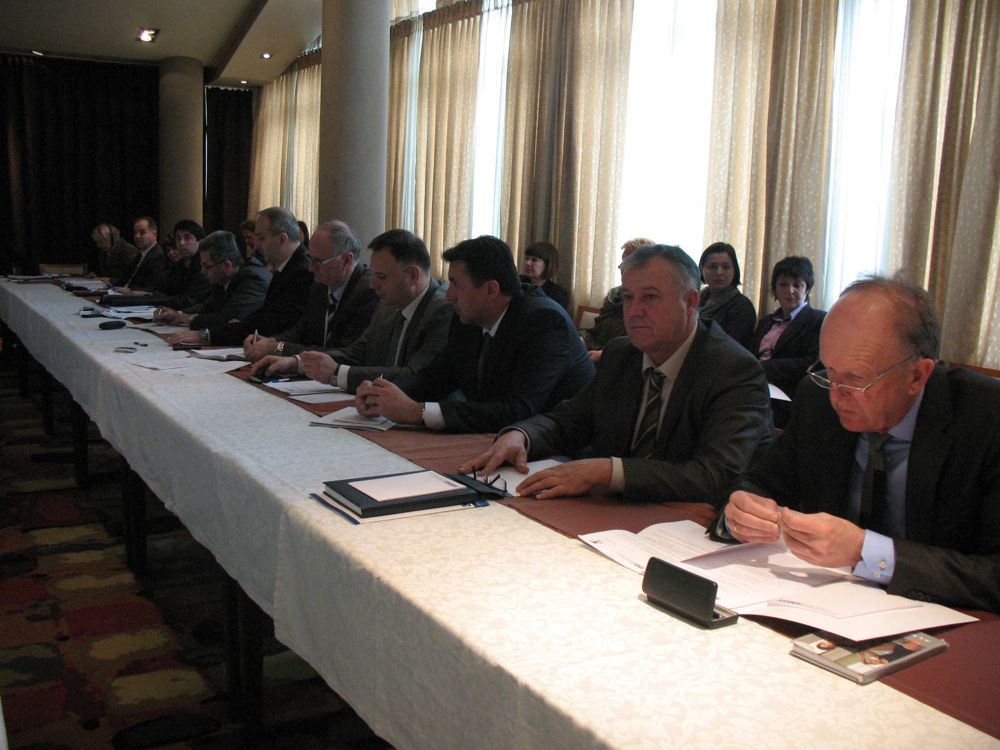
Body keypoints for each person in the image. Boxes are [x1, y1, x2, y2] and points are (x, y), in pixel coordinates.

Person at [722, 277, 1000, 613]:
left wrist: (866, 551)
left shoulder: (986, 419)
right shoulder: (817, 398)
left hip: (948, 621)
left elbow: (993, 574)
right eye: (829, 371)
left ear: (917, 375)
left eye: (856, 380)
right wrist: (741, 510)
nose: (836, 395)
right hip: (821, 606)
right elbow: (759, 482)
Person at [462, 244, 772, 504]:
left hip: (685, 529)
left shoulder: (734, 370)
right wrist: (522, 435)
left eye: (650, 297)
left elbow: (714, 476)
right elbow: (569, 421)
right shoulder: (623, 354)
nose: (634, 311)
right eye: (628, 297)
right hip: (610, 515)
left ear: (691, 302)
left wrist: (609, 472)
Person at [355, 235, 594, 433]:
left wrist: (418, 412)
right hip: (492, 440)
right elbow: (436, 376)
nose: (448, 295)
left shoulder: (544, 322)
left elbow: (518, 410)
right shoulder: (468, 318)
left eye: (456, 284)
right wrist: (381, 393)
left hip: (558, 451)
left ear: (491, 290)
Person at [250, 229, 452, 391]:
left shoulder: (442, 310)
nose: (373, 285)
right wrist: (298, 363)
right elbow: (358, 352)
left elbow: (414, 375)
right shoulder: (389, 305)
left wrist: (337, 373)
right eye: (374, 275)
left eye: (382, 277)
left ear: (413, 276)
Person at [167, 207, 312, 346]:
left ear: (282, 239)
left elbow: (275, 324)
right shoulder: (287, 267)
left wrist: (205, 335)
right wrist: (242, 325)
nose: (256, 246)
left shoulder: (302, 271)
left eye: (261, 238)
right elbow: (265, 315)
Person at [242, 220, 377, 359]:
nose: (311, 268)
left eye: (318, 261)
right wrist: (270, 341)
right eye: (310, 258)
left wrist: (277, 348)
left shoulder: (368, 292)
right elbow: (301, 331)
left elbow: (342, 352)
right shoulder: (321, 286)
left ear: (347, 260)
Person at [159, 231, 271, 332]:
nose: (202, 271)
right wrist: (179, 314)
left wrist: (189, 318)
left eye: (206, 266)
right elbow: (208, 305)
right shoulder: (224, 279)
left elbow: (228, 318)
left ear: (227, 265)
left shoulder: (253, 279)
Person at [749, 256, 826, 397]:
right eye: (783, 285)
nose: (790, 290)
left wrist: (763, 367)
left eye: (797, 285)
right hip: (755, 385)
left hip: (791, 393)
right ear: (775, 288)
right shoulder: (765, 322)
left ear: (807, 289)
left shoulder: (818, 320)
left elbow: (812, 364)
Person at [582, 237, 655, 361]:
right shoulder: (614, 294)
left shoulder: (651, 299)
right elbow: (597, 330)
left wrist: (603, 354)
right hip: (595, 350)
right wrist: (581, 341)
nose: (619, 266)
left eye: (626, 261)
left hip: (623, 359)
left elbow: (642, 342)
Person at [697, 242, 756, 349]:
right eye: (713, 267)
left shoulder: (742, 307)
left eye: (726, 267)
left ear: (734, 271)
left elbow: (731, 349)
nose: (719, 272)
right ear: (701, 270)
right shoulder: (695, 300)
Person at [158, 219, 210, 306]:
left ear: (200, 241)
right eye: (178, 238)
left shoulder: (204, 265)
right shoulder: (181, 262)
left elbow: (189, 300)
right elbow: (168, 289)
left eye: (187, 238)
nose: (181, 243)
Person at [117, 215, 168, 292]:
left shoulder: (158, 256)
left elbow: (152, 288)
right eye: (135, 233)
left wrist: (129, 291)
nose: (137, 236)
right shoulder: (141, 254)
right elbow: (125, 279)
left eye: (142, 232)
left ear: (154, 235)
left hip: (134, 296)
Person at [521, 241, 570, 311]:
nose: (528, 263)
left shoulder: (559, 294)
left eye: (534, 260)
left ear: (547, 264)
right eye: (527, 258)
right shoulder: (518, 282)